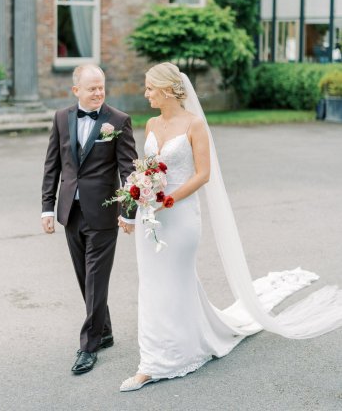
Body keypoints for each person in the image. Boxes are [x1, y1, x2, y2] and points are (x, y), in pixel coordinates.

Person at [119, 62, 342, 392]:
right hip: (150, 217)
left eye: (150, 88)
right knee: (152, 285)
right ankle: (156, 354)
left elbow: (202, 174)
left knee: (176, 283)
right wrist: (140, 189)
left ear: (166, 90)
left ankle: (163, 359)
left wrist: (170, 198)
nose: (145, 93)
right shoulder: (151, 123)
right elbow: (148, 168)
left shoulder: (195, 125)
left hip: (179, 218)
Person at [41, 64, 137, 375]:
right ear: (76, 91)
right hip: (71, 210)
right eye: (91, 88)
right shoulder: (61, 118)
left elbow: (129, 170)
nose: (98, 92)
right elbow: (52, 165)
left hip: (104, 211)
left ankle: (89, 344)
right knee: (85, 277)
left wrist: (128, 211)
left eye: (101, 87)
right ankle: (105, 330)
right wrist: (47, 208)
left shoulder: (118, 121)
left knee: (96, 277)